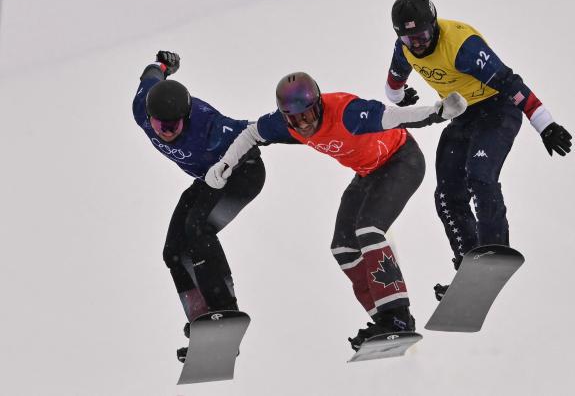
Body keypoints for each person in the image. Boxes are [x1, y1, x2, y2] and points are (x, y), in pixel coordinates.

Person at [205, 71, 467, 351]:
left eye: (307, 115)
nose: (303, 124)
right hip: (368, 174)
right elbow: (251, 133)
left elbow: (395, 117)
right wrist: (226, 163)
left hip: (402, 160)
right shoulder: (284, 125)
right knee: (343, 247)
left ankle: (399, 317)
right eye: (294, 119)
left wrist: (439, 111)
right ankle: (384, 318)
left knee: (369, 229)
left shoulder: (347, 112)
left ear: (318, 104)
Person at [384, 0, 573, 299]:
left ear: (434, 25)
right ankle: (468, 265)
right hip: (463, 115)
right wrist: (400, 96)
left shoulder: (462, 46)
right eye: (408, 39)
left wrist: (545, 124)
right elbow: (393, 84)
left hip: (497, 110)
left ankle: (494, 251)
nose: (416, 44)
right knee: (446, 195)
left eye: (421, 36)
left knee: (480, 176)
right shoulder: (403, 50)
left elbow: (511, 83)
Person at [132, 51, 265, 362]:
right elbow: (150, 74)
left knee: (197, 228)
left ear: (187, 117)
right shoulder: (142, 107)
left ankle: (224, 310)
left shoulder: (209, 125)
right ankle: (202, 320)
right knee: (173, 252)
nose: (165, 133)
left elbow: (257, 131)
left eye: (172, 126)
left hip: (244, 175)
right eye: (158, 126)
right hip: (208, 180)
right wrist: (165, 65)